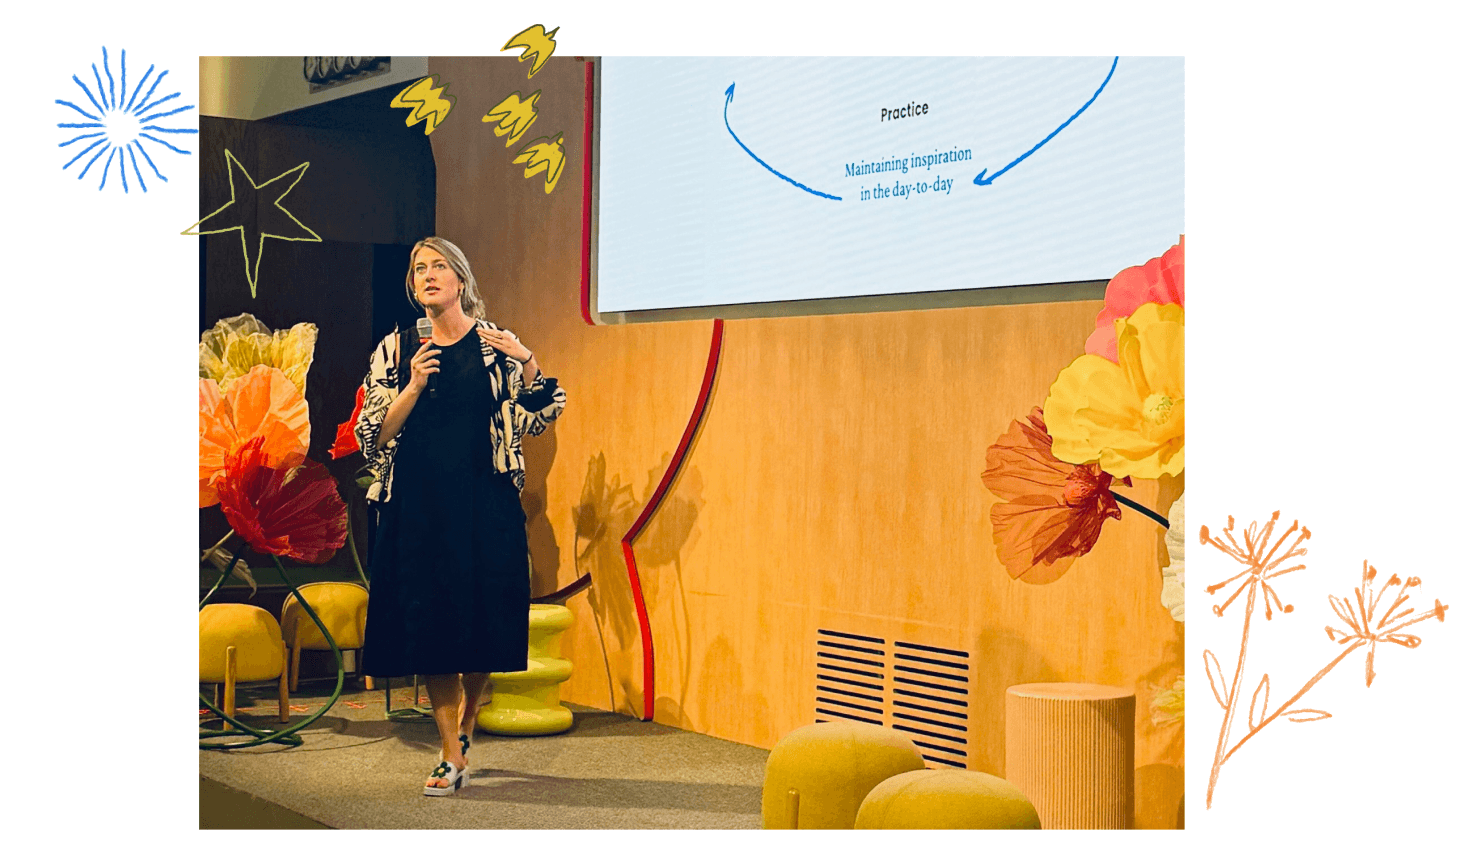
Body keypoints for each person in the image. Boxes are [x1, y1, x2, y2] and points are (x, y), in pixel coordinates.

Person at [354, 236, 566, 796]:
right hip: (419, 504)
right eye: (419, 268)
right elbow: (372, 435)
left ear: (461, 279)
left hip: (485, 500)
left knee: (484, 622)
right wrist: (414, 384)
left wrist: (527, 361)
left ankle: (467, 724)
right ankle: (450, 751)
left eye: (439, 266)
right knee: (432, 626)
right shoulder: (398, 349)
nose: (428, 275)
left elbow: (539, 415)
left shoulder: (497, 345)